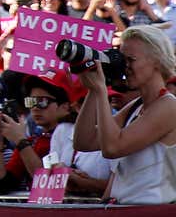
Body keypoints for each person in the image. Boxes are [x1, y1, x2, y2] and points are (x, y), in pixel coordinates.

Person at [74, 25, 176, 204]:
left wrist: (100, 91)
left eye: (131, 59)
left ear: (157, 62)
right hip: (125, 208)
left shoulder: (169, 106)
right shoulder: (135, 107)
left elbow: (113, 148)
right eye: (122, 60)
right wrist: (94, 88)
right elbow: (84, 141)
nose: (124, 67)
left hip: (153, 210)